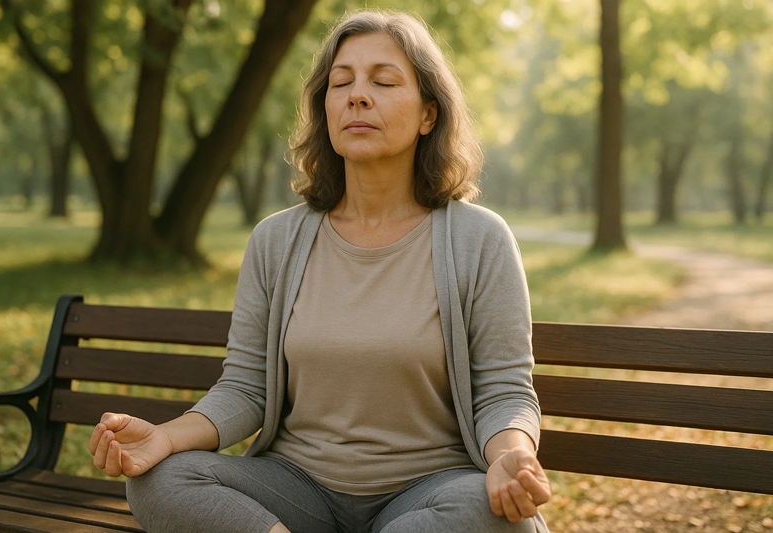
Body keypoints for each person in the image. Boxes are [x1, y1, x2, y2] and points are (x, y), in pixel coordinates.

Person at [88, 9, 551, 533]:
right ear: (325, 107)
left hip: (429, 492)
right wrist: (165, 437)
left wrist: (509, 456)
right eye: (341, 82)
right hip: (296, 489)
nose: (357, 95)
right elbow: (246, 388)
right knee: (159, 479)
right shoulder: (276, 240)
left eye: (383, 81)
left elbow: (504, 391)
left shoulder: (478, 239)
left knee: (489, 514)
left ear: (428, 113)